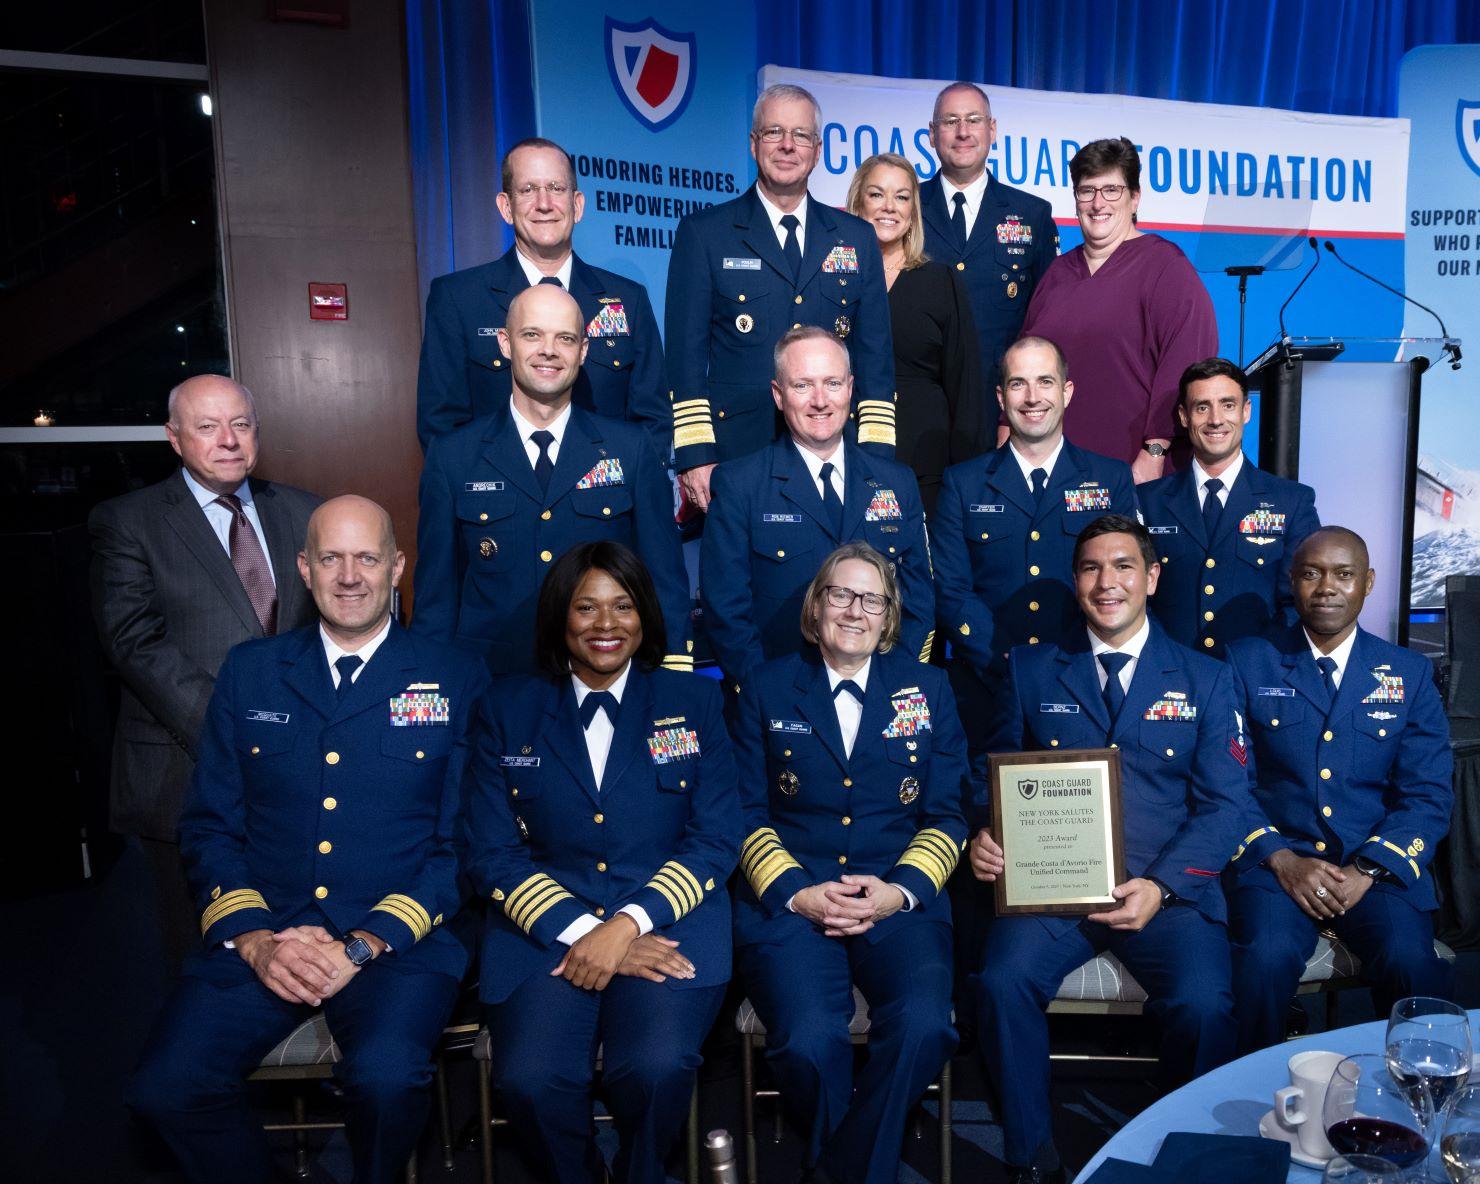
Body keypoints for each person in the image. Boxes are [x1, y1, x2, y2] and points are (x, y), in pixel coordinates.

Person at [128, 495, 491, 1184]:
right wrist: (260, 941)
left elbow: (464, 844)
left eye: (367, 558)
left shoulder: (456, 676)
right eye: (330, 558)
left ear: (397, 568)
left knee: (386, 1082)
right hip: (271, 936)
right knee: (164, 1088)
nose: (349, 576)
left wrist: (365, 942)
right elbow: (209, 825)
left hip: (397, 944)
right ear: (303, 568)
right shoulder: (252, 671)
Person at [969, 514, 1243, 1184]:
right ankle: (1030, 1157)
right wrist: (986, 833)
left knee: (1205, 1004)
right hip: (1054, 890)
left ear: (1151, 577)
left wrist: (1164, 886)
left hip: (1164, 895)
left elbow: (1227, 806)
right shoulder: (1033, 670)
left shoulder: (1204, 678)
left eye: (1123, 566)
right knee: (1001, 983)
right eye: (1091, 567)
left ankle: (1185, 1153)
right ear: (1076, 580)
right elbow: (991, 773)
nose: (1106, 581)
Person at [464, 541, 739, 1184]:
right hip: (544, 928)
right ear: (560, 617)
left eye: (622, 606)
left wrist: (627, 925)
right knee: (531, 1080)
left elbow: (715, 838)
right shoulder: (507, 709)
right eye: (586, 607)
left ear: (645, 616)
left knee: (655, 1067)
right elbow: (492, 850)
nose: (606, 624)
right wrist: (589, 932)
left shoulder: (694, 703)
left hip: (669, 923)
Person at [731, 543, 968, 1184]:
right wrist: (797, 892)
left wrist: (899, 890)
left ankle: (838, 1169)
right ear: (816, 606)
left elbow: (948, 815)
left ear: (889, 614)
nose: (855, 610)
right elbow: (744, 813)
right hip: (794, 904)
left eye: (872, 598)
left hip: (898, 903)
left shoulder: (929, 689)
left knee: (923, 1025)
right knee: (808, 1042)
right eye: (840, 594)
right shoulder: (766, 686)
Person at [89, 374, 320, 969]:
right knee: (199, 954)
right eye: (208, 426)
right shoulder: (128, 521)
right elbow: (133, 642)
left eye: (241, 425)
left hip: (299, 765)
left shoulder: (304, 511)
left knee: (293, 935)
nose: (228, 440)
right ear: (174, 438)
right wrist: (235, 730)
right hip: (183, 765)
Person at [1225, 527, 1454, 1054]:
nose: (1326, 587)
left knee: (1411, 963)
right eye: (1311, 573)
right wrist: (1280, 859)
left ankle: (1418, 1102)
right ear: (1293, 583)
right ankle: (1241, 1110)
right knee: (1259, 960)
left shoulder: (1409, 673)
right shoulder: (1249, 662)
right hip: (1278, 866)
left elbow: (1428, 794)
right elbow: (1228, 782)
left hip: (1375, 871)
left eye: (1343, 574)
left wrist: (1369, 869)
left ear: (1367, 583)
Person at [415, 284, 692, 676]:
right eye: (532, 335)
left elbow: (664, 582)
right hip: (490, 688)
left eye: (565, 338)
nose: (549, 350)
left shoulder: (632, 450)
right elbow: (436, 601)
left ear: (583, 352)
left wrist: (671, 677)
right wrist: (434, 693)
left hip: (603, 682)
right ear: (504, 343)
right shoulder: (453, 457)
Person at [666, 83, 896, 511]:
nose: (787, 146)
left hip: (836, 453)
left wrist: (877, 456)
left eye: (801, 135)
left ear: (818, 149)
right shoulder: (705, 234)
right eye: (774, 133)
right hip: (738, 453)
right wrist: (697, 454)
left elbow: (876, 358)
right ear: (754, 144)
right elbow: (685, 357)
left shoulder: (856, 237)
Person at [930, 336, 1136, 758]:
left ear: (1067, 391)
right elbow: (951, 590)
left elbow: (1120, 585)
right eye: (1018, 384)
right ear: (1001, 397)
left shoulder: (1110, 479)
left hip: (1083, 684)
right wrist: (1004, 661)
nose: (1032, 397)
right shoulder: (962, 483)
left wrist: (1061, 668)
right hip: (986, 685)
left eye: (1045, 381)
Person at [701, 326, 933, 693]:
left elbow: (918, 599)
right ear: (778, 395)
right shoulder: (740, 485)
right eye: (803, 385)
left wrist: (890, 686)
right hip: (779, 704)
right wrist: (767, 699)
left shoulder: (897, 483)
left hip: (879, 699)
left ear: (851, 389)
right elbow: (726, 612)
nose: (820, 400)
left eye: (833, 384)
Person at [416, 137, 667, 454]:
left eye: (556, 188)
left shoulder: (628, 300)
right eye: (528, 190)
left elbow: (652, 425)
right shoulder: (457, 299)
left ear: (577, 205)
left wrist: (610, 489)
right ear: (506, 207)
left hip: (605, 498)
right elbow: (441, 428)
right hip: (499, 499)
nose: (544, 203)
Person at [1020, 137, 1218, 481]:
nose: (1098, 203)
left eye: (1111, 189)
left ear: (1135, 197)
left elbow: (1186, 367)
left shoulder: (1165, 267)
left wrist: (1154, 450)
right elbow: (1023, 364)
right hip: (1055, 468)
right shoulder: (1057, 274)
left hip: (1136, 468)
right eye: (1087, 191)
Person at [1140, 358, 1320, 657]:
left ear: (1246, 411)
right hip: (1172, 675)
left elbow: (1299, 602)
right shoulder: (1148, 501)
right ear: (1184, 416)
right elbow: (1136, 598)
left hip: (1255, 680)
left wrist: (1269, 666)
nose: (1215, 419)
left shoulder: (1291, 502)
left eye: (1227, 404)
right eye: (1202, 407)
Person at [848, 151, 986, 514]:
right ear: (858, 202)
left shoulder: (940, 281)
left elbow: (965, 387)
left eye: (902, 197)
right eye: (877, 194)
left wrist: (969, 479)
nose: (889, 207)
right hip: (845, 457)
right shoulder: (832, 279)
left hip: (926, 466)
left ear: (913, 212)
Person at [919, 82, 1057, 396]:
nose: (963, 132)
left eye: (974, 120)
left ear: (992, 129)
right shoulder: (905, 207)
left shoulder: (1032, 214)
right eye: (951, 121)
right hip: (922, 400)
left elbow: (1045, 320)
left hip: (1000, 399)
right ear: (931, 133)